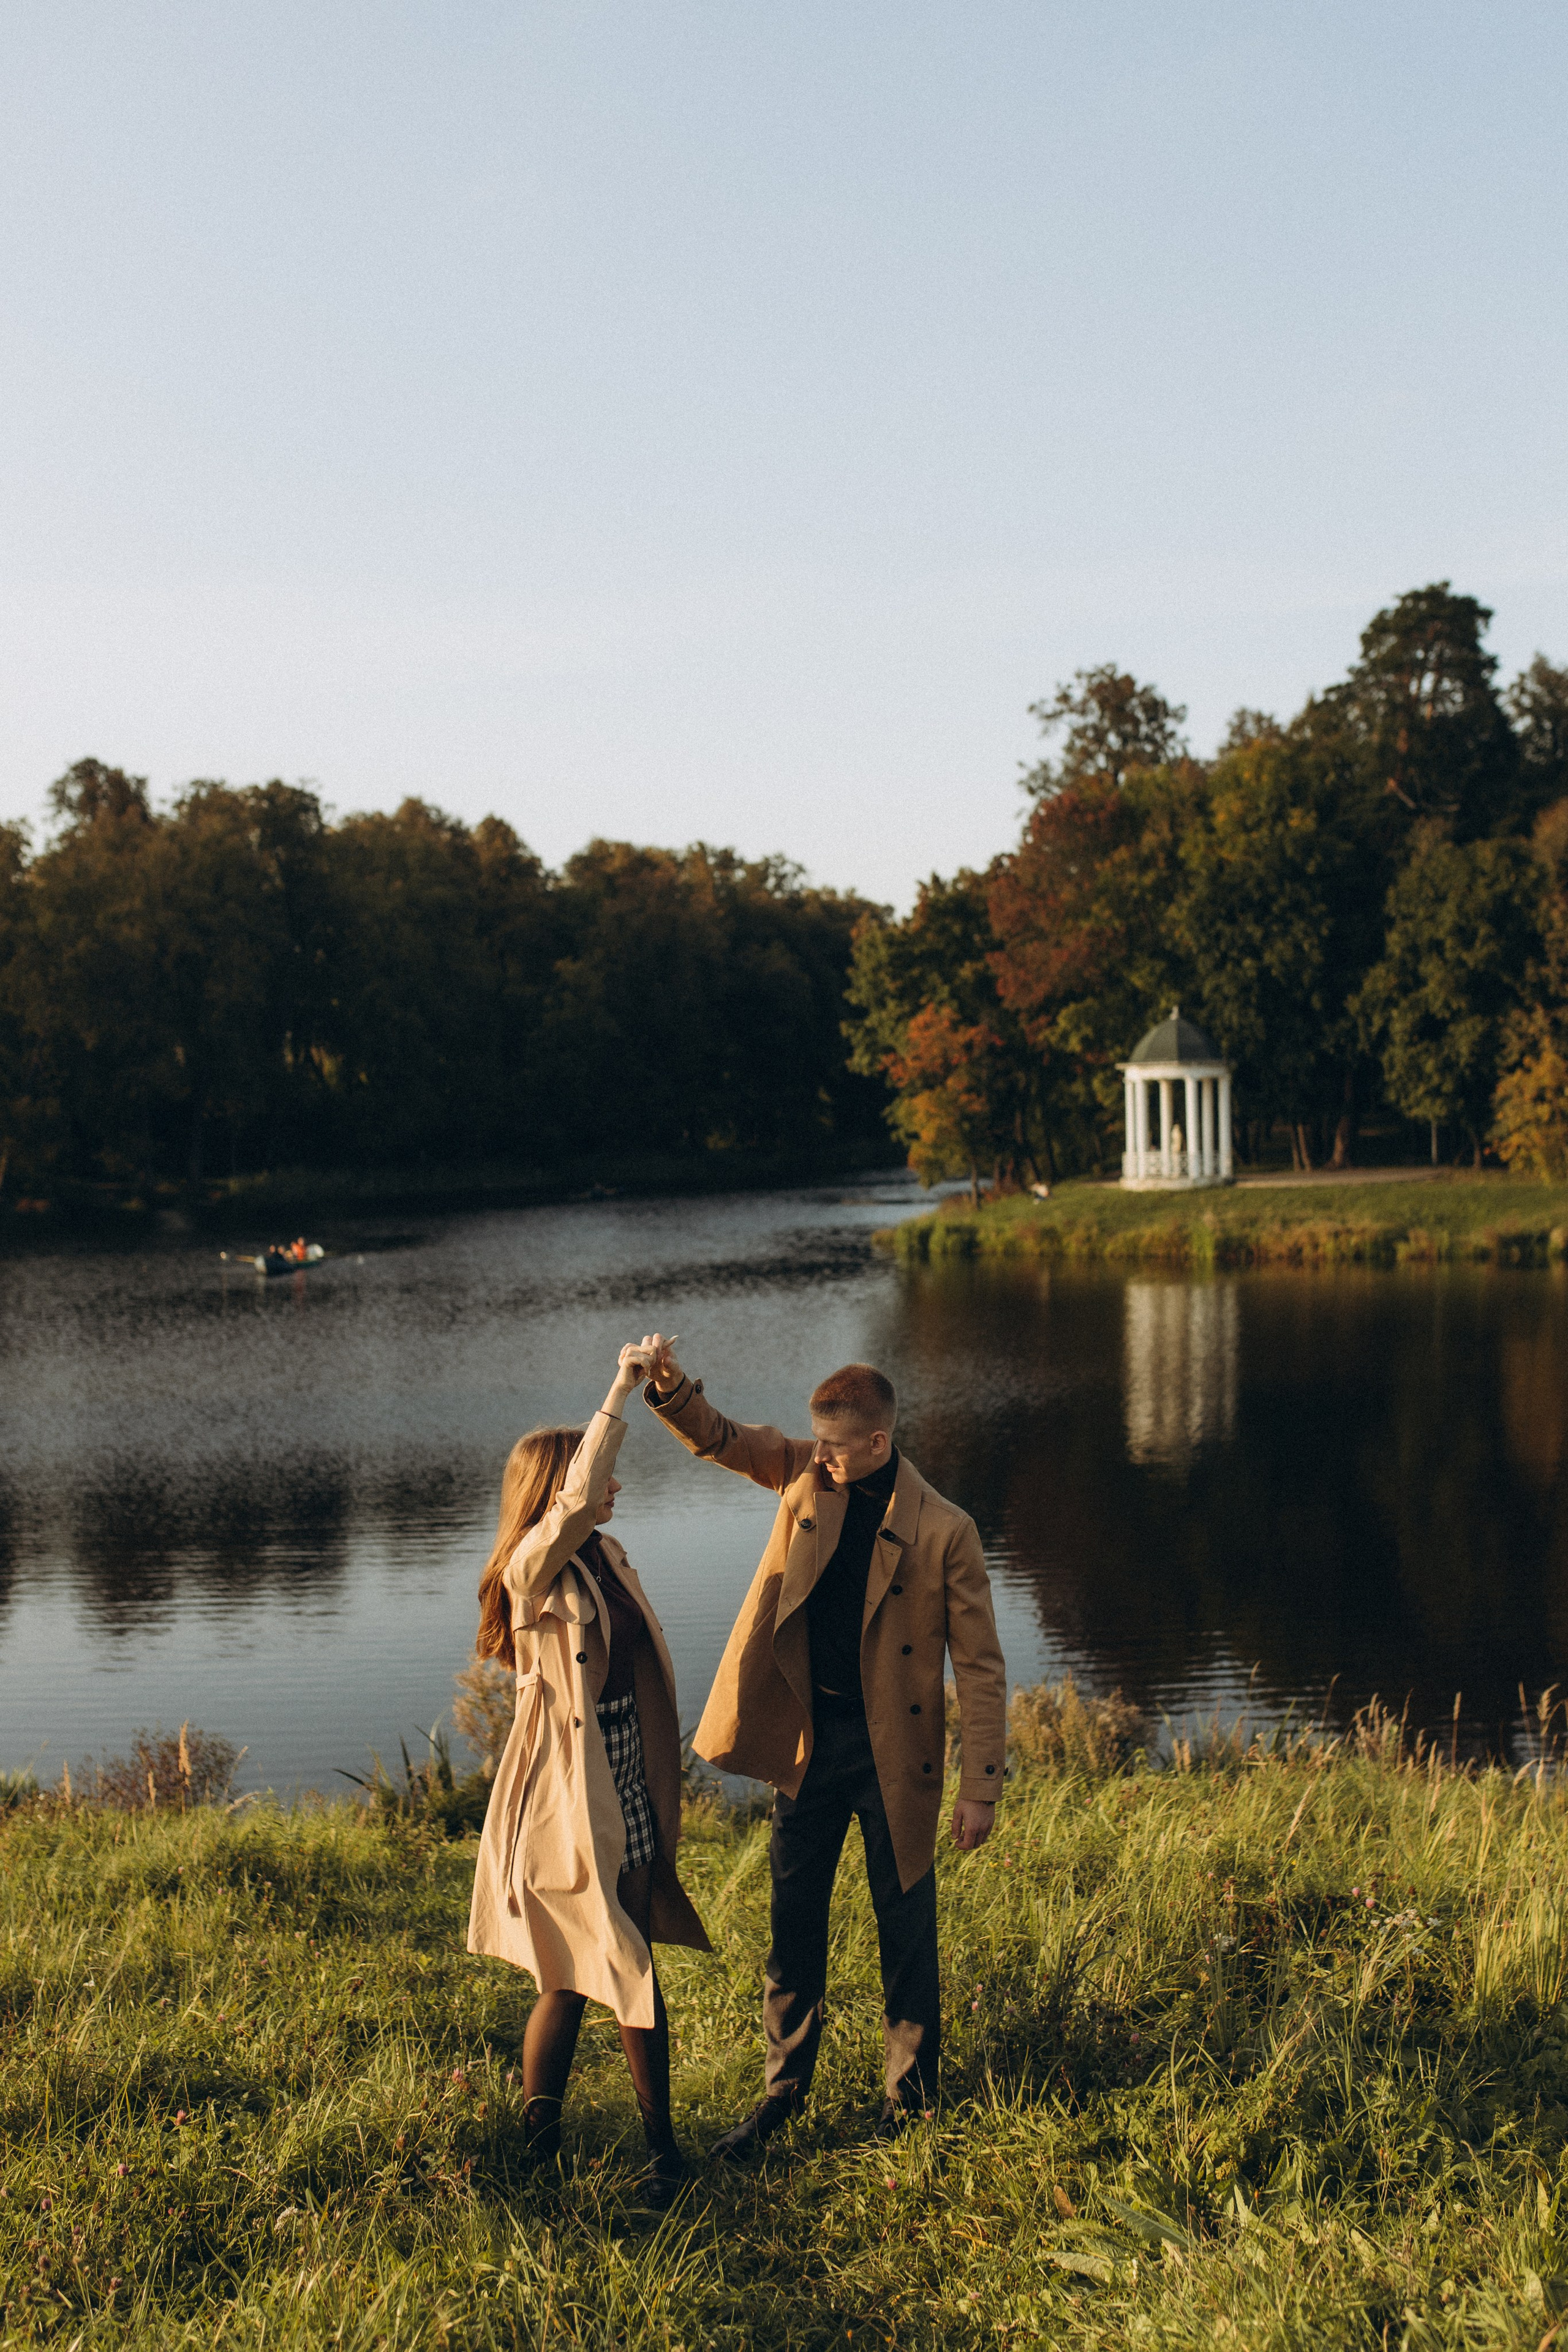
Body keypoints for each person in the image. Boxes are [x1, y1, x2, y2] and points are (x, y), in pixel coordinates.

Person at [636, 1335, 1006, 2151]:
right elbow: (727, 1440)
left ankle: (909, 2108)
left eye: (837, 1447)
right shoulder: (807, 1474)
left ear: (878, 1442)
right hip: (808, 1748)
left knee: (905, 1931)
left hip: (893, 1759)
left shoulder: (947, 1530)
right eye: (819, 1445)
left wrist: (980, 1786)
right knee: (792, 1924)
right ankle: (781, 2100)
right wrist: (670, 1390)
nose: (822, 1458)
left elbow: (980, 1668)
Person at [467, 1342, 711, 2208]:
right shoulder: (533, 1571)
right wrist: (621, 1387)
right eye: (588, 1475)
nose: (609, 1485)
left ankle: (652, 2150)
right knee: (579, 1973)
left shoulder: (604, 1557)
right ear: (552, 1494)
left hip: (624, 1777)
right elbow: (572, 1505)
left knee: (621, 1951)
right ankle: (602, 2154)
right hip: (565, 1793)